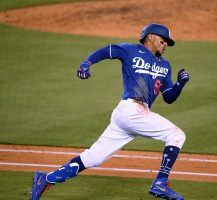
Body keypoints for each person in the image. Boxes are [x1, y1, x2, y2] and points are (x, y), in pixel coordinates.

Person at [30, 23, 190, 200]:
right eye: (163, 40)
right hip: (130, 110)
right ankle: (160, 182)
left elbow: (169, 97)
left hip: (131, 116)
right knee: (176, 135)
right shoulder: (130, 50)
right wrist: (87, 62)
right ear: (150, 37)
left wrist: (179, 84)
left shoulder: (165, 66)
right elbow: (106, 51)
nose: (166, 44)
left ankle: (45, 178)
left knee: (94, 158)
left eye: (167, 42)